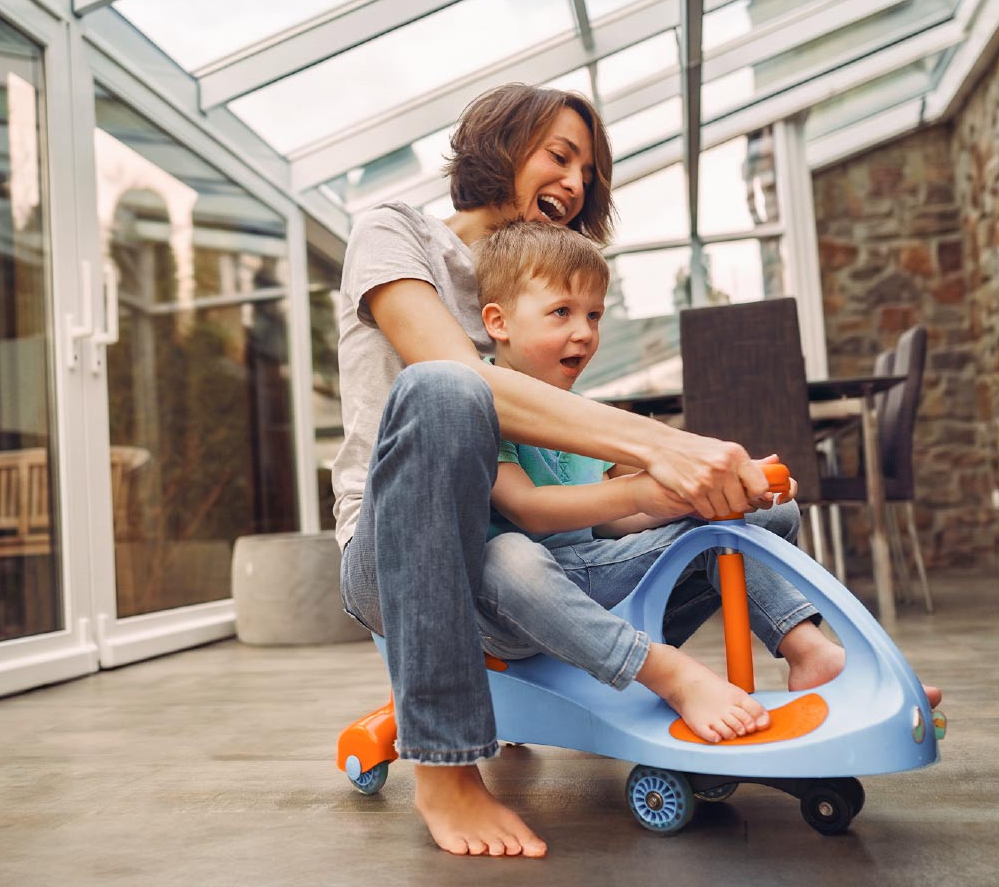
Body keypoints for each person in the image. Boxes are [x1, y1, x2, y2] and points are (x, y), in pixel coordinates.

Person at [332, 83, 934, 859]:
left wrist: (697, 483)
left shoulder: (545, 283)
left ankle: (814, 652)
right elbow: (464, 379)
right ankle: (445, 767)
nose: (577, 184)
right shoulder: (394, 233)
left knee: (746, 520)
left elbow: (601, 500)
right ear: (498, 145)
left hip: (530, 571)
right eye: (559, 157)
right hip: (400, 555)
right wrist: (662, 454)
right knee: (447, 394)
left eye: (589, 172)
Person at [471, 219, 849, 744]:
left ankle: (807, 650)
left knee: (766, 516)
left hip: (595, 575)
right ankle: (668, 675)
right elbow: (527, 508)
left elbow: (612, 524)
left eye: (594, 315)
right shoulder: (480, 404)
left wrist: (701, 497)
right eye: (562, 312)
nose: (584, 332)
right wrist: (641, 491)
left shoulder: (580, 414)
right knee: (505, 554)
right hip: (516, 604)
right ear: (499, 322)